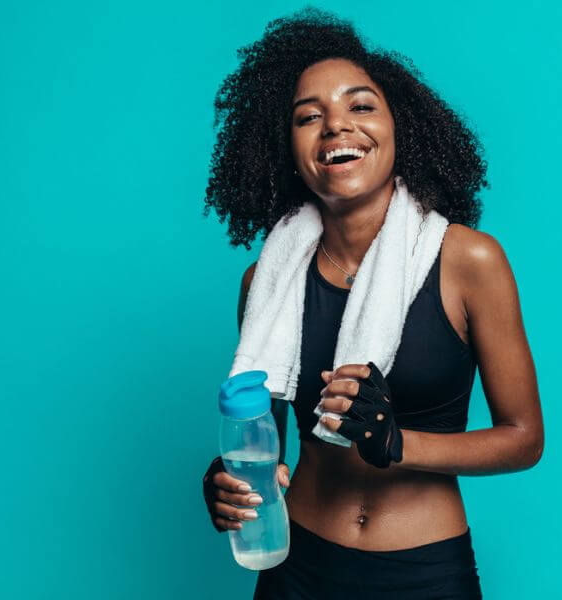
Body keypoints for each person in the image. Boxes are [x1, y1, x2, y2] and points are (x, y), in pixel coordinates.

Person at [201, 7, 544, 599]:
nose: (336, 127)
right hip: (294, 566)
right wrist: (227, 481)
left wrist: (397, 442)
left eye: (360, 106)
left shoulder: (469, 261)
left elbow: (524, 438)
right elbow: (265, 447)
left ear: (400, 126)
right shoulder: (267, 281)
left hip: (423, 572)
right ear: (287, 145)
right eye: (310, 117)